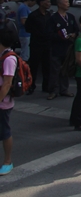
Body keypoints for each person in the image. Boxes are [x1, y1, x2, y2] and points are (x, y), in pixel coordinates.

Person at [48, 0, 77, 100]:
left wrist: (74, 34)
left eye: (68, 2)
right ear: (59, 4)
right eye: (66, 2)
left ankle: (64, 89)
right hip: (57, 47)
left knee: (65, 69)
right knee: (55, 70)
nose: (68, 4)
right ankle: (54, 90)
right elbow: (49, 34)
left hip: (68, 47)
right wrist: (60, 36)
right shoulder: (53, 18)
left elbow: (76, 30)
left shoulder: (71, 17)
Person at [0, 27, 17, 175]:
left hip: (3, 103)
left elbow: (7, 84)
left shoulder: (9, 59)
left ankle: (7, 161)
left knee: (4, 132)